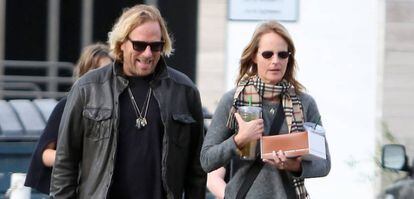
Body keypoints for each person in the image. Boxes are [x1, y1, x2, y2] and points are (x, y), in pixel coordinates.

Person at [50, 4, 206, 199]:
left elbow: (197, 169)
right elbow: (65, 163)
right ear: (121, 43)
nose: (148, 54)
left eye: (155, 46)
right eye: (139, 45)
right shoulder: (87, 88)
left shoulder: (184, 91)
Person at [200, 21, 331, 199]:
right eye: (268, 54)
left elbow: (324, 164)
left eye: (282, 54)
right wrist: (239, 140)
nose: (275, 61)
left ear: (289, 58)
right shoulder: (233, 101)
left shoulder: (305, 103)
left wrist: (293, 166)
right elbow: (207, 161)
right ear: (254, 56)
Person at [24, 43, 113, 194]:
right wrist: (80, 158)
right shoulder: (67, 106)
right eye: (96, 72)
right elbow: (44, 154)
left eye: (108, 73)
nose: (102, 79)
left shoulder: (119, 108)